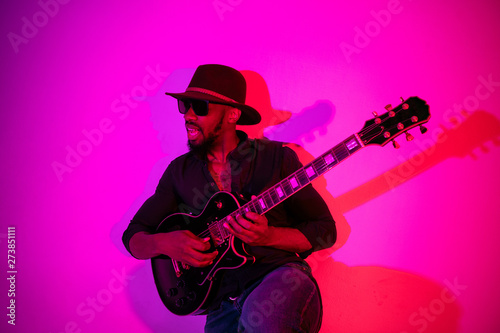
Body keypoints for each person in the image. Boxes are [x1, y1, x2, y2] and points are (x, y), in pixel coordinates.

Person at [122, 64, 336, 332]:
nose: (188, 115)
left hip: (276, 278)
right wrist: (167, 243)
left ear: (233, 114)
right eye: (185, 105)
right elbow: (133, 238)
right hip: (220, 304)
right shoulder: (179, 172)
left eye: (199, 107)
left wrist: (269, 237)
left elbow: (325, 231)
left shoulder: (276, 159)